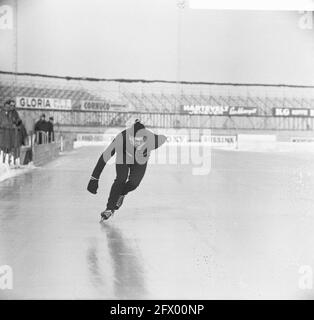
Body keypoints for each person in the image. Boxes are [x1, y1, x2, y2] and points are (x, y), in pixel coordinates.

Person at [87, 120, 167, 221]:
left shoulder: (153, 140)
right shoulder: (122, 138)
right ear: (130, 137)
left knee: (134, 183)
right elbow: (104, 157)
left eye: (141, 141)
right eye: (135, 141)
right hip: (124, 156)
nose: (138, 144)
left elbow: (163, 138)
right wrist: (94, 178)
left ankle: (121, 194)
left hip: (140, 160)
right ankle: (109, 208)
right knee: (121, 179)